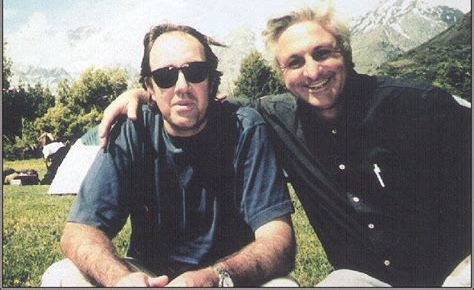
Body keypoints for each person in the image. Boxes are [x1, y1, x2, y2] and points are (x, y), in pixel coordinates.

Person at [99, 0, 471, 287]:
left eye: (322, 53)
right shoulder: (276, 116)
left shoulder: (421, 106)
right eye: (294, 62)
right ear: (282, 74)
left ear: (346, 51)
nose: (312, 72)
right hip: (366, 280)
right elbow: (201, 102)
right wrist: (146, 93)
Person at [41, 23, 298, 287]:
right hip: (152, 278)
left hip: (228, 277)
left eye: (195, 72)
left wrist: (213, 278)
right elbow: (78, 231)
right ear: (149, 88)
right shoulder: (133, 130)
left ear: (211, 82)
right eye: (165, 76)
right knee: (61, 276)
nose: (182, 86)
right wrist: (121, 279)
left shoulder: (246, 127)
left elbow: (278, 240)